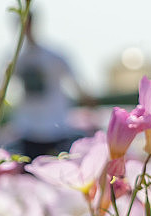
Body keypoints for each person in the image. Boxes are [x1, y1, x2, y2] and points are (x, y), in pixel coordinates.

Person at [7, 11, 92, 159]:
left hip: (56, 128)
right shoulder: (13, 59)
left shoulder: (54, 55)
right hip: (28, 129)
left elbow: (79, 87)